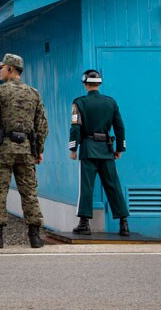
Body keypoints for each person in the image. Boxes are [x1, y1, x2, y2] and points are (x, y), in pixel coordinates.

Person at [0, 53, 49, 249]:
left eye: (1, 68)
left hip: (4, 149)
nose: (0, 71)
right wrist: (39, 149)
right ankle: (35, 237)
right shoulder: (34, 93)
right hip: (26, 149)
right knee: (29, 192)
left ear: (11, 69)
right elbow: (42, 125)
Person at [69, 69, 130, 236]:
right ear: (100, 83)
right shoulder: (111, 102)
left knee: (86, 187)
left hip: (88, 148)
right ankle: (124, 223)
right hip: (106, 149)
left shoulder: (79, 103)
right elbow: (120, 127)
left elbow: (75, 127)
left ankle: (84, 223)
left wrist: (73, 148)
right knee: (113, 186)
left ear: (84, 83)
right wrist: (120, 149)